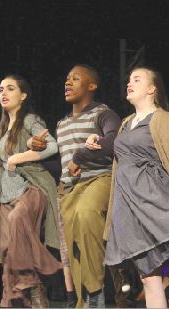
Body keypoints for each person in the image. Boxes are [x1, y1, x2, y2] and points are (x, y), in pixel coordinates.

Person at [101, 67, 169, 308]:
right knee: (151, 279)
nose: (130, 83)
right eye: (128, 80)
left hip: (159, 197)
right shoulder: (126, 123)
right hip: (129, 204)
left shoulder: (162, 118)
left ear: (151, 89)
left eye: (137, 80)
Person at [30, 64, 122, 307]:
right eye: (67, 78)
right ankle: (86, 301)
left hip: (99, 178)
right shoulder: (61, 125)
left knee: (86, 215)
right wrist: (34, 150)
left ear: (91, 86)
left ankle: (96, 292)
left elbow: (114, 141)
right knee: (75, 246)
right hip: (69, 188)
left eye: (75, 78)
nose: (67, 82)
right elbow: (62, 164)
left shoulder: (103, 113)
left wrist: (81, 156)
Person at [0, 74, 62, 307]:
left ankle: (37, 283)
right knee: (9, 249)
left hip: (31, 188)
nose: (4, 93)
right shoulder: (4, 127)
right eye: (1, 89)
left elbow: (52, 145)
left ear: (23, 95)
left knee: (18, 219)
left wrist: (20, 156)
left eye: (10, 89)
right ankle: (22, 298)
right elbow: (3, 162)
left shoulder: (29, 120)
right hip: (6, 195)